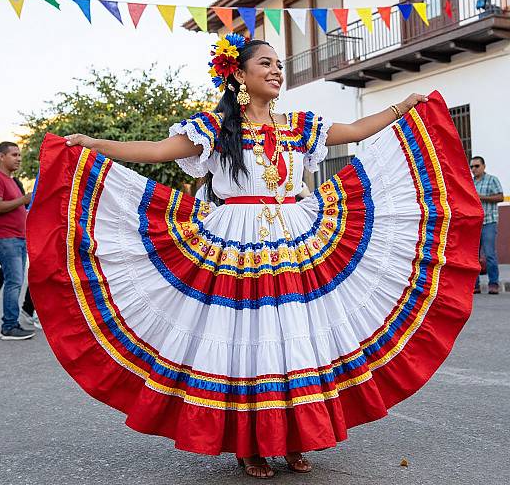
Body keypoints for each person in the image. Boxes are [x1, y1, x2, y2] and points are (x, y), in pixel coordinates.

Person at [27, 35, 483, 479]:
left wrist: (405, 107)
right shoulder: (213, 128)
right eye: (265, 64)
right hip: (235, 240)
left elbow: (356, 131)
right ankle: (251, 444)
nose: (276, 71)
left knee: (295, 333)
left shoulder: (300, 125)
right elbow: (157, 152)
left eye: (278, 65)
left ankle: (295, 436)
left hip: (296, 235)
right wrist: (96, 146)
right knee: (246, 338)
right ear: (240, 75)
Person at [0, 141, 34, 340]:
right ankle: (9, 326)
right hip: (7, 238)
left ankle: (12, 323)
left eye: (19, 155)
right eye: (14, 155)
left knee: (15, 281)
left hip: (18, 238)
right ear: (1, 157)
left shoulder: (12, 180)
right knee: (14, 282)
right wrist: (23, 200)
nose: (19, 159)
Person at [470, 156, 504, 294]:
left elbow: (500, 197)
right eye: (472, 167)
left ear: (484, 166)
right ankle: (475, 285)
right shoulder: (469, 182)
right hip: (473, 223)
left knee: (489, 254)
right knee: (472, 256)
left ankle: (493, 283)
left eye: (477, 166)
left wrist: (481, 197)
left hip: (489, 222)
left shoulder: (492, 180)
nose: (474, 169)